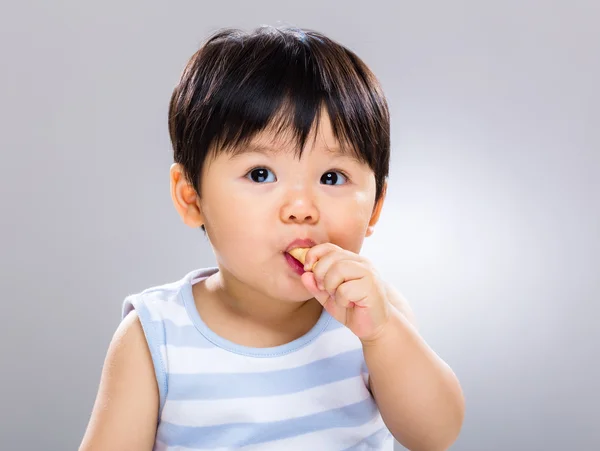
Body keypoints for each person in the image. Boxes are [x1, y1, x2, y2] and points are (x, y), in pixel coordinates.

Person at [80, 25, 465, 451]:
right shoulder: (155, 336)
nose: (301, 207)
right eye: (260, 174)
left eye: (332, 177)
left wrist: (383, 335)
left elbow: (436, 436)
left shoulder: (374, 314)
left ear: (375, 207)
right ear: (191, 197)